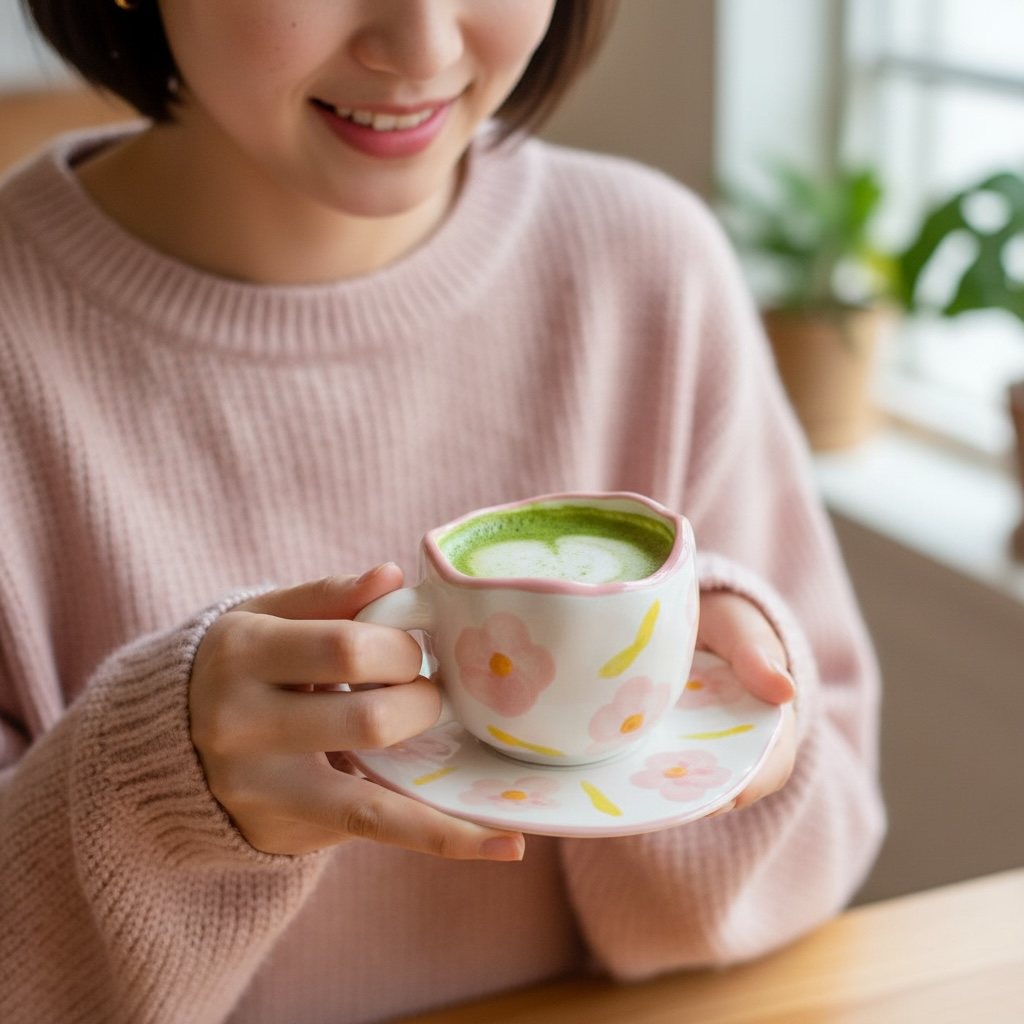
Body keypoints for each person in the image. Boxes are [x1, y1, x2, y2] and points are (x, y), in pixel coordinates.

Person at [0, 1, 885, 1022]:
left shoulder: (650, 271)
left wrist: (705, 716)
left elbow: (814, 866)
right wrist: (150, 789)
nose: (419, 47)